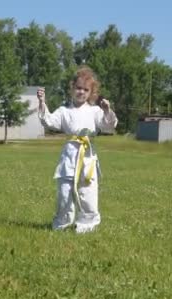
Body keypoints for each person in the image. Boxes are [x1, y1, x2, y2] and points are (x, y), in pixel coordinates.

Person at [37, 66, 118, 233]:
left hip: (87, 155)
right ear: (72, 88)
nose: (81, 92)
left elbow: (108, 126)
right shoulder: (64, 111)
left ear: (91, 93)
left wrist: (107, 110)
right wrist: (42, 102)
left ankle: (87, 225)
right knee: (64, 192)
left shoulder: (95, 111)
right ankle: (62, 224)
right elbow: (49, 121)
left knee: (87, 191)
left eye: (85, 89)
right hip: (70, 154)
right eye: (78, 88)